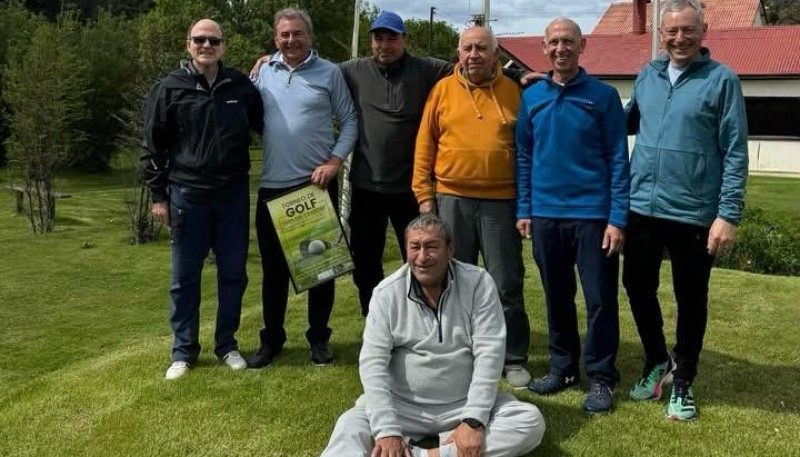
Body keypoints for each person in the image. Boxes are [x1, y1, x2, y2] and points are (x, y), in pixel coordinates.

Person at [320, 214, 545, 457]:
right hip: (401, 407)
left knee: (529, 421)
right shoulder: (386, 294)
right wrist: (386, 430)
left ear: (450, 250)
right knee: (348, 427)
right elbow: (372, 364)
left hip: (462, 405)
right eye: (414, 247)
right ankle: (446, 450)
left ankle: (426, 454)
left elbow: (489, 354)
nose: (422, 257)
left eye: (431, 246)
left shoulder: (479, 284)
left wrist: (473, 420)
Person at [623, 0, 748, 421]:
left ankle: (684, 382)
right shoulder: (648, 75)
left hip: (695, 213)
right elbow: (623, 121)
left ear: (703, 32)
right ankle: (658, 360)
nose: (679, 39)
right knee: (637, 287)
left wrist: (727, 214)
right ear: (662, 33)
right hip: (642, 206)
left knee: (691, 299)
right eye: (671, 31)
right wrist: (556, 90)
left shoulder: (722, 80)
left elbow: (735, 151)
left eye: (687, 31)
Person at [515, 18, 630, 414]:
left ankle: (601, 377)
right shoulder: (532, 96)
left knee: (599, 299)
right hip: (545, 214)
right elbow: (525, 157)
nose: (561, 48)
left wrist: (617, 218)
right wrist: (524, 209)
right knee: (556, 296)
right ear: (544, 48)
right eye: (554, 42)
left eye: (568, 41)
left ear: (583, 46)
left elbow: (618, 158)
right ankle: (563, 368)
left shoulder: (604, 96)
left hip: (593, 217)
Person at [141, 19, 263, 380]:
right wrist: (158, 196)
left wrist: (269, 65)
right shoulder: (169, 88)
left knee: (232, 275)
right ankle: (183, 351)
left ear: (223, 46)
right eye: (199, 39)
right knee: (184, 278)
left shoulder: (241, 86)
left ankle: (226, 344)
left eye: (213, 40)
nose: (206, 45)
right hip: (186, 196)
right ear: (188, 44)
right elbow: (152, 146)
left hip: (232, 197)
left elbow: (266, 124)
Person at [412, 26, 532, 389]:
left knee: (505, 283)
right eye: (468, 48)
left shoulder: (515, 91)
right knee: (452, 282)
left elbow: (528, 151)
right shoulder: (442, 90)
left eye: (482, 48)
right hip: (451, 199)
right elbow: (424, 146)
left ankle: (513, 357)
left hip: (501, 202)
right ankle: (460, 354)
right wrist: (424, 196)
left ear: (495, 53)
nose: (474, 55)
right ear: (458, 53)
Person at [247, 7, 357, 368]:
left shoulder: (329, 72)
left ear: (310, 36)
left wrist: (334, 161)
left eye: (297, 33)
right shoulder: (263, 72)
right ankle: (272, 340)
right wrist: (259, 64)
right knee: (274, 273)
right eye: (284, 35)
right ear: (275, 38)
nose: (291, 40)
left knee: (320, 269)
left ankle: (318, 339)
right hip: (272, 186)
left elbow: (351, 122)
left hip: (315, 184)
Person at [339, 11, 450, 320]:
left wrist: (518, 74)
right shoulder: (353, 71)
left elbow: (470, 67)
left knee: (420, 259)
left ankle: (422, 318)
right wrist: (270, 59)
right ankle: (374, 320)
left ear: (404, 40)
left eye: (391, 38)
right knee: (366, 262)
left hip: (411, 189)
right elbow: (314, 71)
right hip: (366, 187)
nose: (384, 45)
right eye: (378, 38)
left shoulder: (426, 69)